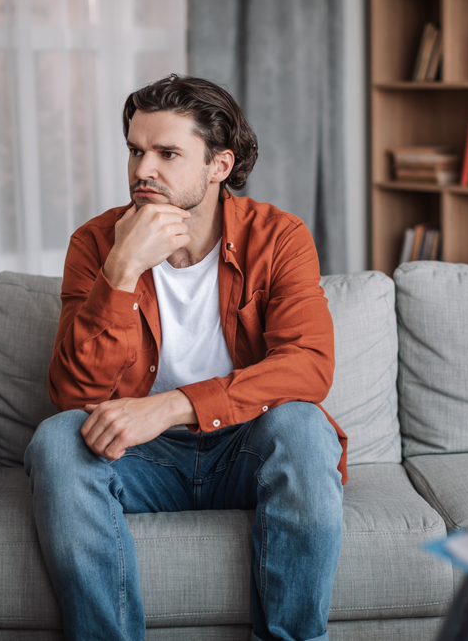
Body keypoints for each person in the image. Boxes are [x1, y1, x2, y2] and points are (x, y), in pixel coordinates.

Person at [23, 74, 348, 641]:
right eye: (135, 150)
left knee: (303, 425)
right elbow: (74, 394)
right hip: (142, 462)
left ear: (219, 166)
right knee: (57, 438)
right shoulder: (97, 243)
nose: (142, 169)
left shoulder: (279, 237)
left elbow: (308, 366)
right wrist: (122, 271)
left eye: (167, 153)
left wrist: (171, 406)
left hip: (244, 449)